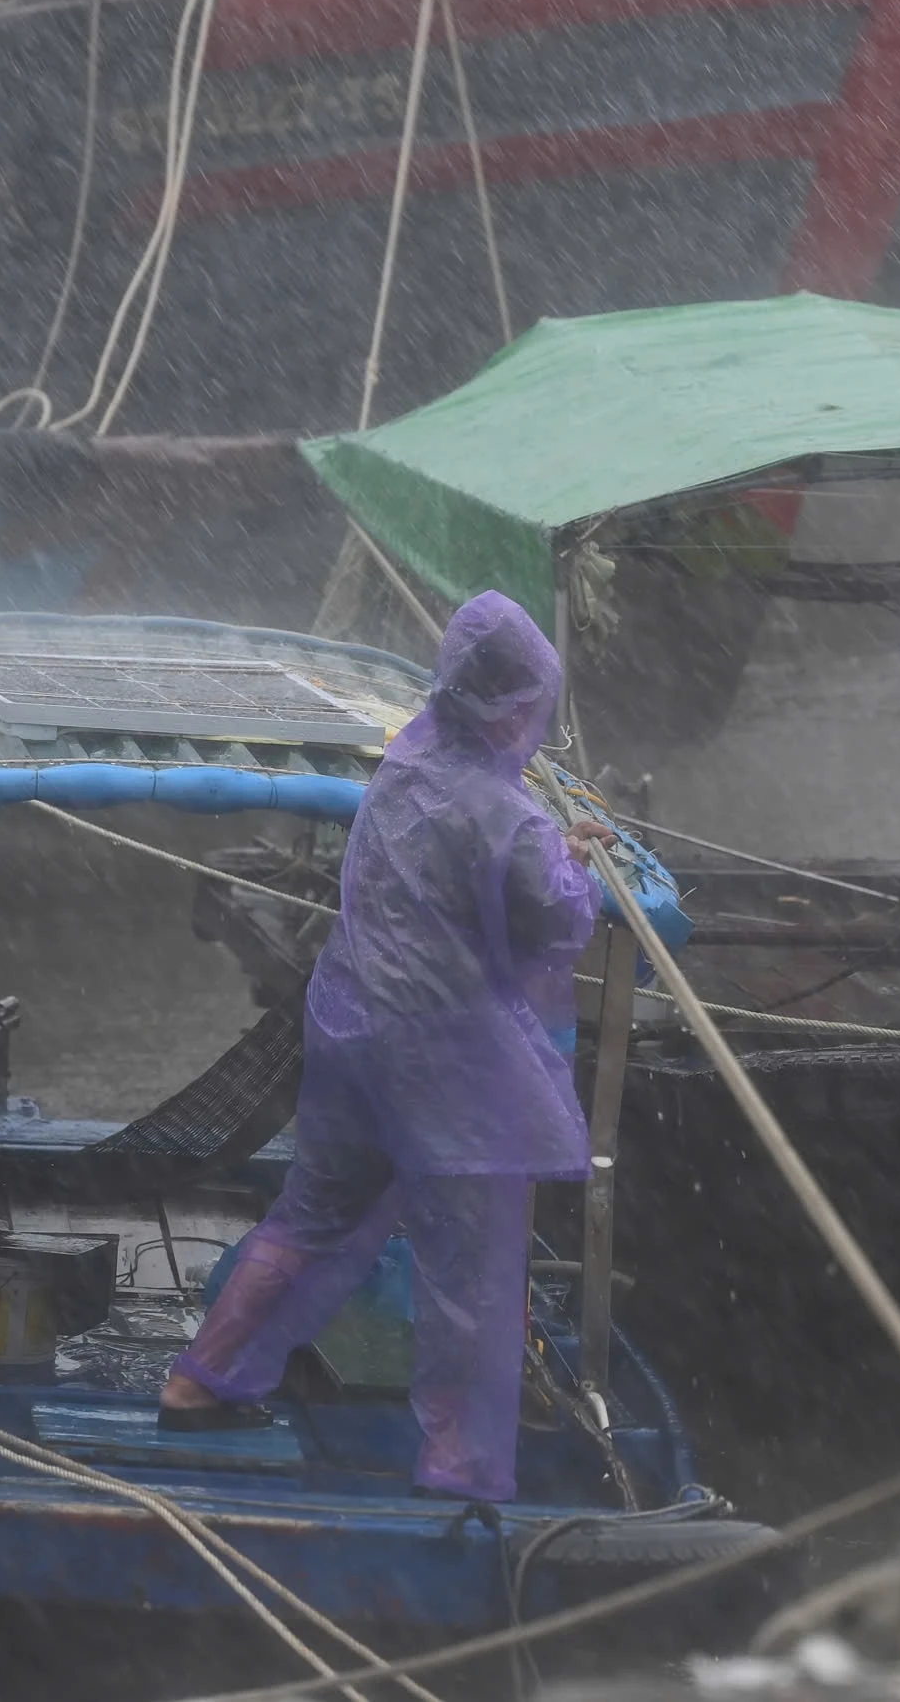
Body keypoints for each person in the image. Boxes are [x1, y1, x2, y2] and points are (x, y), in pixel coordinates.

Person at [160, 592, 615, 1504]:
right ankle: (459, 1465)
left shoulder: (403, 767)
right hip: (446, 1063)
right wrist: (577, 858)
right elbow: (558, 916)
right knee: (470, 1273)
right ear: (516, 702)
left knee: (310, 1219)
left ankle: (197, 1383)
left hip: (351, 1037)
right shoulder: (505, 810)